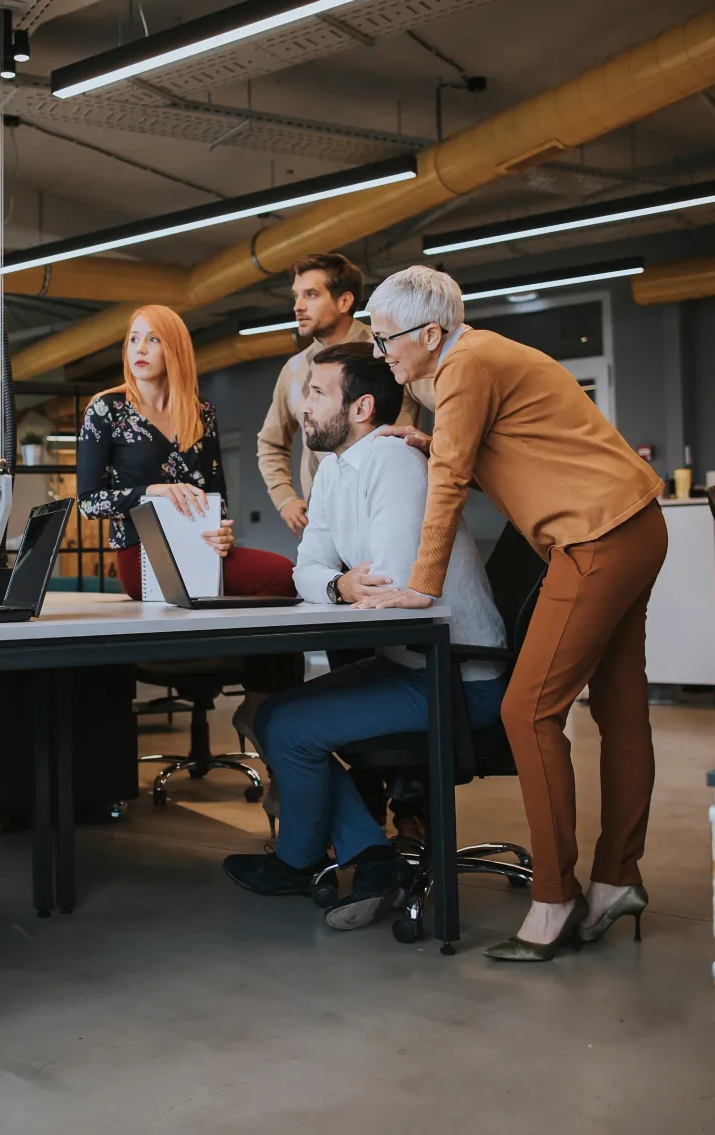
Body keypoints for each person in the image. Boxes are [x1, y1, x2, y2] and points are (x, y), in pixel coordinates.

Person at [357, 265, 667, 962]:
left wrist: (421, 585)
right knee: (620, 714)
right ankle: (616, 879)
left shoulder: (466, 366)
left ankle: (555, 896)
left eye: (386, 340)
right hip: (634, 525)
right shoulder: (480, 359)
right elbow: (516, 444)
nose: (382, 354)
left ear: (430, 332)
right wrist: (436, 440)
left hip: (595, 538)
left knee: (527, 710)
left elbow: (451, 485)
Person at [222, 344, 507, 930]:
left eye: (317, 393)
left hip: (456, 674)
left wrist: (343, 587)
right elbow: (308, 569)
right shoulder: (334, 470)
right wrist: (338, 587)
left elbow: (396, 590)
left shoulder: (393, 462)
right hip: (407, 662)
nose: (302, 406)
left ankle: (313, 862)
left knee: (289, 725)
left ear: (362, 407)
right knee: (268, 714)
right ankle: (371, 857)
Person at [77, 305, 298, 708]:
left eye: (153, 339)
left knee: (285, 577)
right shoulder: (105, 409)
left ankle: (265, 707)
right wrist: (152, 492)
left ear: (174, 349)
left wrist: (223, 529)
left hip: (200, 547)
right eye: (133, 339)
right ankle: (266, 708)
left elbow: (217, 494)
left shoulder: (202, 413)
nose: (139, 349)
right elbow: (89, 504)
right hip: (142, 554)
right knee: (281, 575)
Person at [256, 253, 421, 539]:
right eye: (296, 296)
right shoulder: (294, 369)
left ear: (344, 301)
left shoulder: (389, 350)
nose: (298, 306)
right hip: (324, 519)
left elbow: (449, 403)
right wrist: (284, 498)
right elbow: (270, 443)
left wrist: (437, 451)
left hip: (390, 508)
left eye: (311, 295)